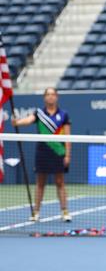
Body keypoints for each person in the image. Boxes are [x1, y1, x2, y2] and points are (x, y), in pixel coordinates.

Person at [12, 87, 71, 222]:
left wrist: (68, 155)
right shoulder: (39, 113)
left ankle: (65, 211)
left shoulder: (63, 114)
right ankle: (36, 212)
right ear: (44, 97)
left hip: (59, 151)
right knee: (40, 183)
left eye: (52, 94)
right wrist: (17, 122)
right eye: (48, 94)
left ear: (57, 97)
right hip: (43, 151)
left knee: (60, 182)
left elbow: (68, 137)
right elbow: (27, 121)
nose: (50, 97)